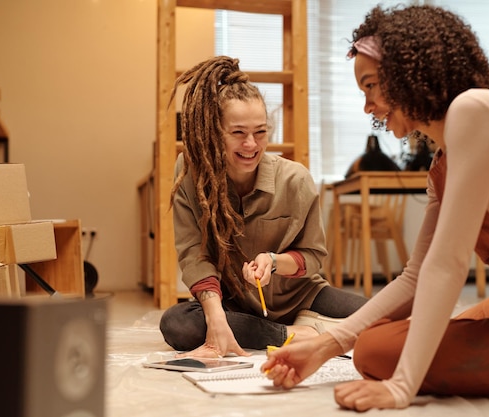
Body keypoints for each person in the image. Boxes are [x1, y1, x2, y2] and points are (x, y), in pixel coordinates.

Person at [262, 4, 489, 411]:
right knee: (374, 344)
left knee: (376, 352)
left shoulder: (476, 109)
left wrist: (401, 387)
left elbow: (448, 263)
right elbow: (416, 277)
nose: (368, 107)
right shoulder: (442, 161)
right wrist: (326, 346)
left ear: (406, 73)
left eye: (371, 85)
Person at [158, 56, 368, 358]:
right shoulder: (190, 172)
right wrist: (216, 317)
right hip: (233, 301)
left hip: (301, 298)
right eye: (238, 133)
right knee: (178, 325)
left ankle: (270, 330)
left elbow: (313, 257)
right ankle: (294, 335)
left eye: (260, 132)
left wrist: (273, 260)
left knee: (382, 319)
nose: (251, 145)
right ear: (215, 133)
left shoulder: (295, 180)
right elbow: (194, 254)